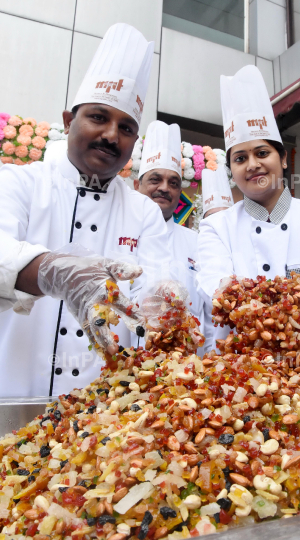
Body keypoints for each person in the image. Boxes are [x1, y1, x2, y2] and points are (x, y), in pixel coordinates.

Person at [0, 24, 171, 397]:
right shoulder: (18, 182)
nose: (112, 135)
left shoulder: (143, 212)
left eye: (125, 127)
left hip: (102, 412)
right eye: (98, 117)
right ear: (67, 121)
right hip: (11, 391)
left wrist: (165, 297)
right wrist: (50, 270)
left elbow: (154, 285)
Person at [197, 65, 300, 381]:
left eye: (262, 152)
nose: (253, 164)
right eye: (240, 158)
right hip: (243, 378)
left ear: (283, 158)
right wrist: (228, 291)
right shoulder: (216, 228)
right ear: (232, 170)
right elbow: (213, 285)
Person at [134, 120, 203, 324]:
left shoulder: (197, 243)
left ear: (179, 193)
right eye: (155, 180)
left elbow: (207, 314)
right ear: (137, 185)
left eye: (173, 183)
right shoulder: (120, 237)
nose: (164, 188)